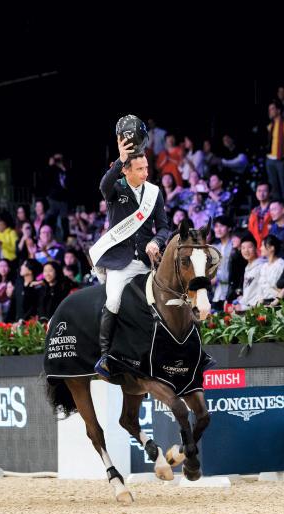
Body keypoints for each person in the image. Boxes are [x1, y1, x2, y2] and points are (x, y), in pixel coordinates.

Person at [93, 118, 171, 366]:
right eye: (139, 169)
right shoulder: (115, 190)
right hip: (121, 263)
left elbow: (165, 227)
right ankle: (105, 356)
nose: (145, 173)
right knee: (113, 300)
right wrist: (119, 158)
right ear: (126, 171)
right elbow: (103, 185)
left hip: (148, 263)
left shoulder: (154, 193)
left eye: (146, 168)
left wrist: (157, 242)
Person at [248, 182, 272, 248]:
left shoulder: (273, 209)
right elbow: (250, 229)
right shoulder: (254, 211)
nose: (261, 193)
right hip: (257, 246)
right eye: (259, 191)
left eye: (264, 191)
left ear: (269, 193)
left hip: (270, 244)